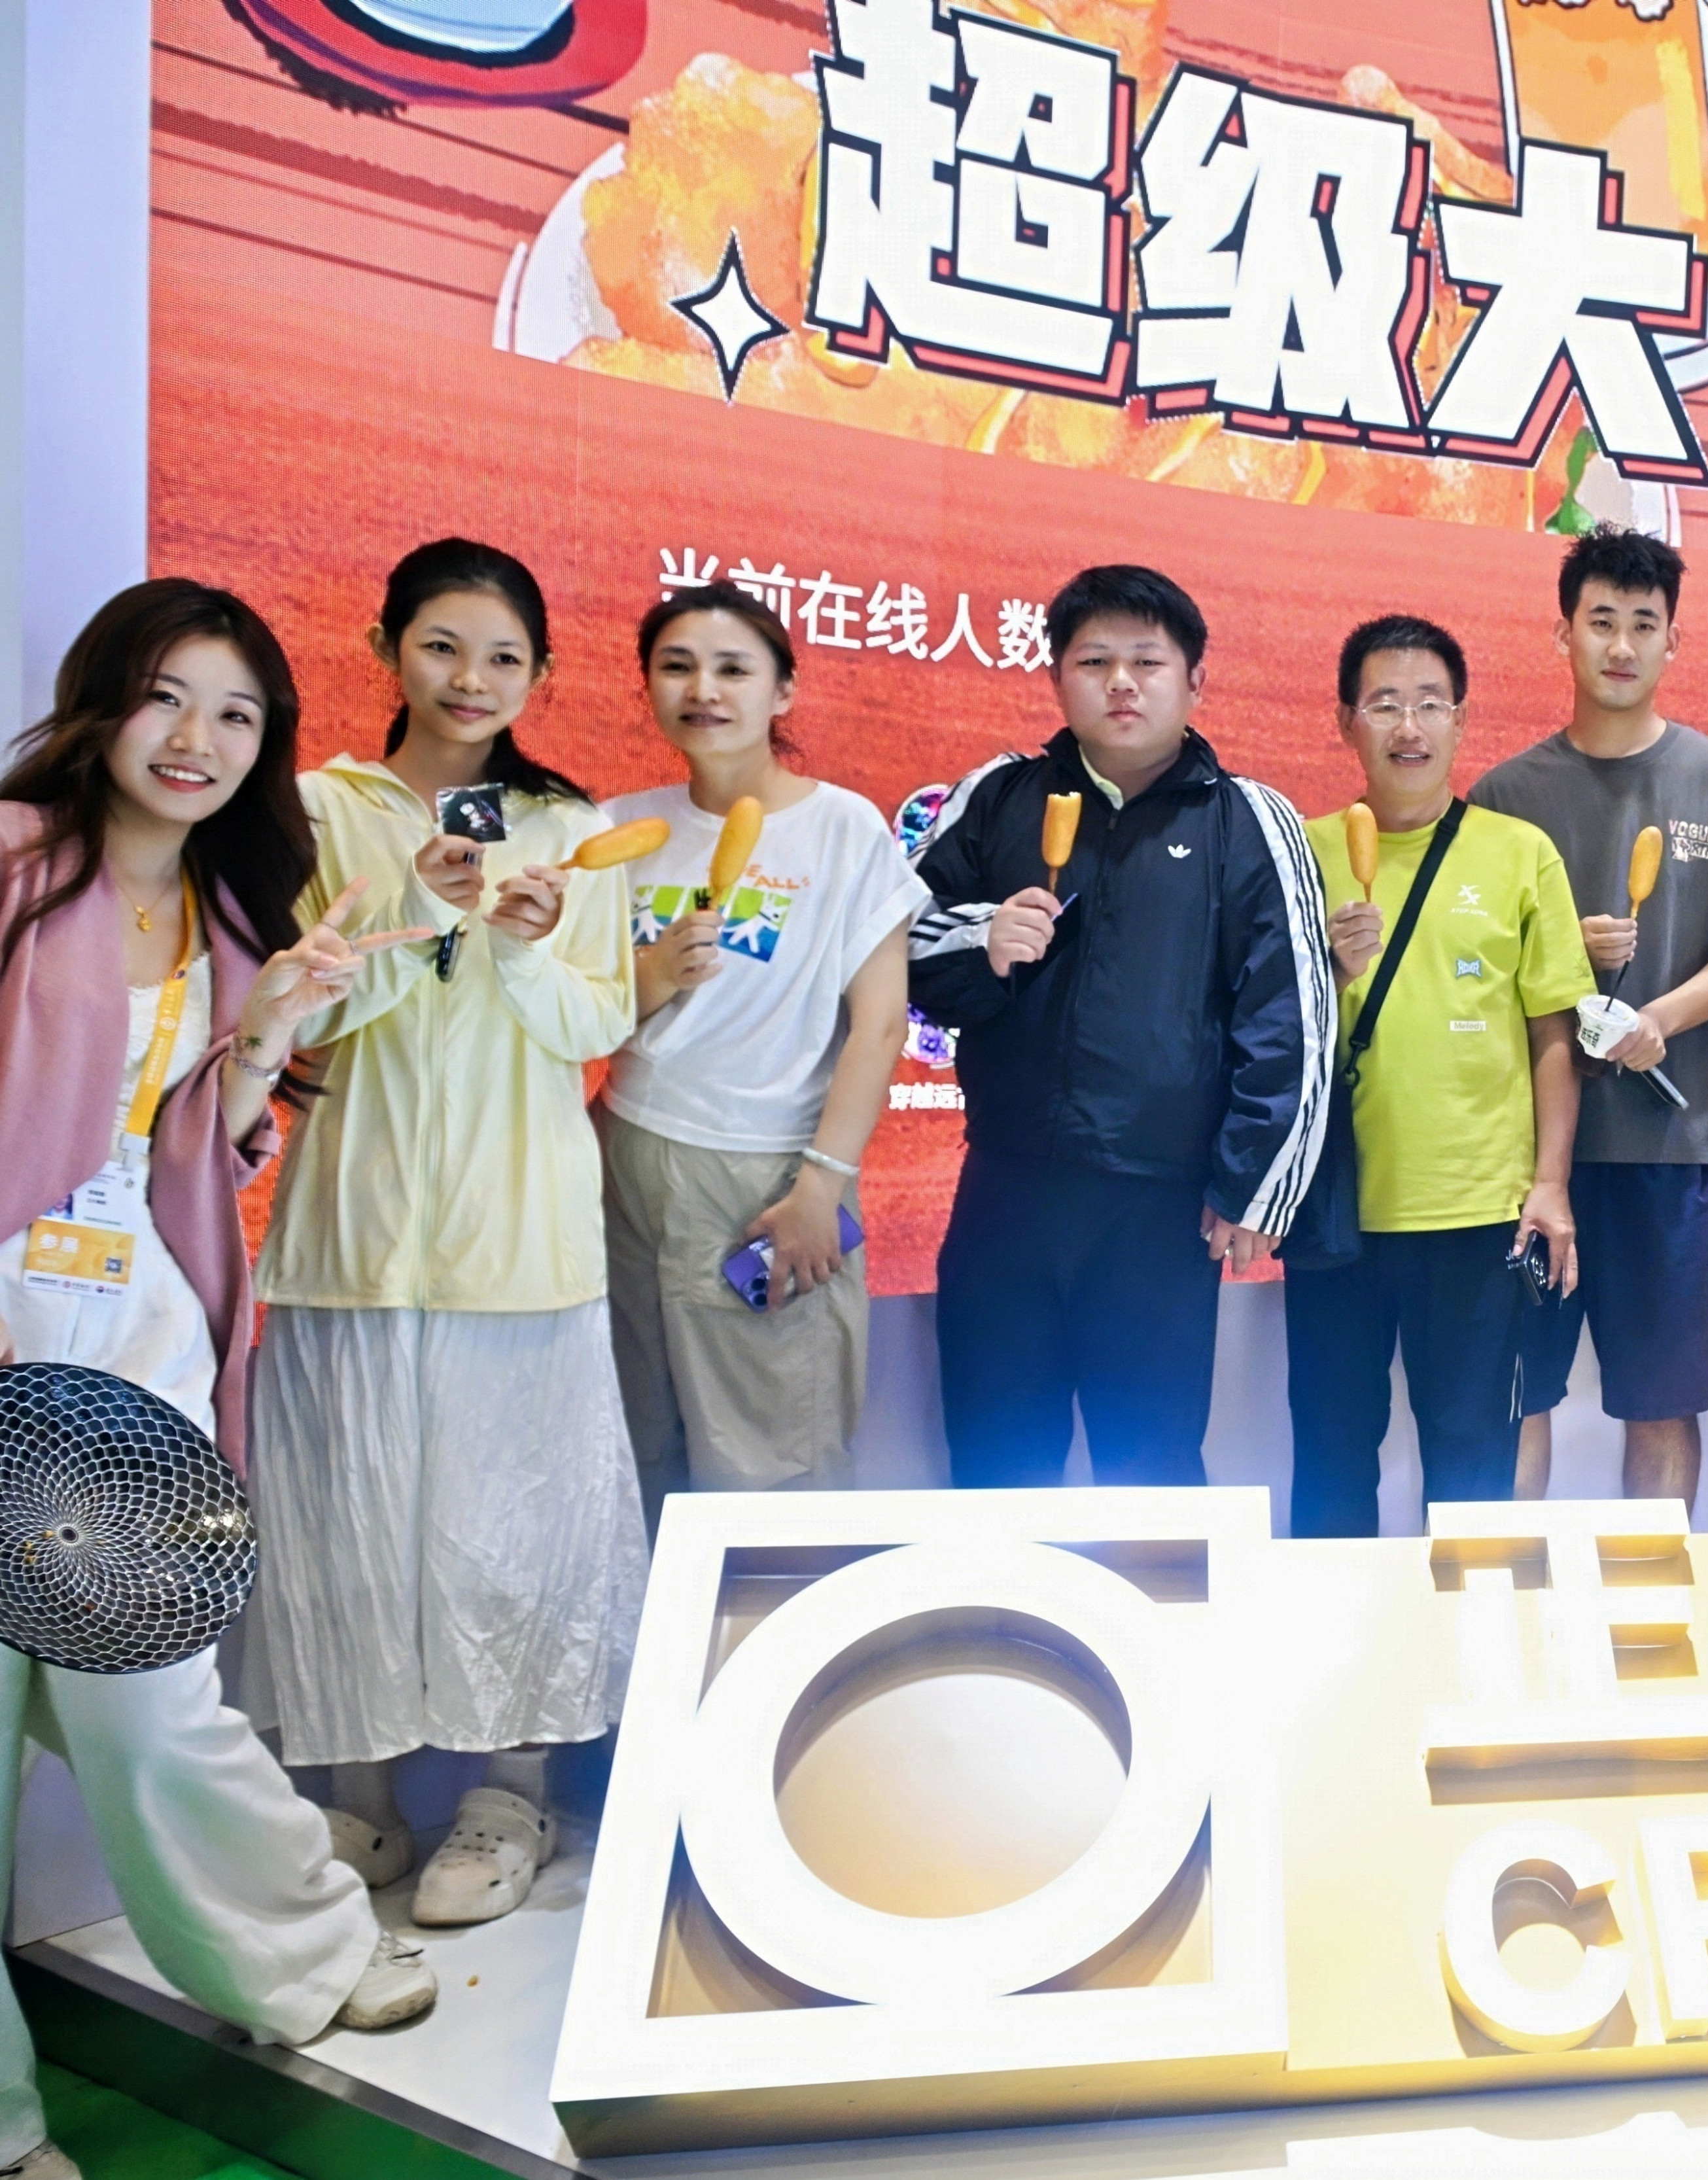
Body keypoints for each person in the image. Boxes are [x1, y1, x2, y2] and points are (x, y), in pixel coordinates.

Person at [0, 581, 447, 2180]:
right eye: (167, 697)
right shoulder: (13, 860)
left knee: (153, 1701)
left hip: (138, 1336)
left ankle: (300, 1956)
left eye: (238, 713)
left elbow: (210, 1143)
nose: (197, 739)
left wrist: (265, 1034)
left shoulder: (233, 910)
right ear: (103, 701)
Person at [244, 538, 651, 1930]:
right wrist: (425, 909)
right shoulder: (313, 809)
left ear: (540, 674)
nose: (471, 678)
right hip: (349, 1232)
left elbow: (598, 1022)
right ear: (386, 648)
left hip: (521, 1239)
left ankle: (508, 1795)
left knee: (513, 1534)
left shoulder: (570, 826)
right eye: (441, 646)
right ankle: (354, 1796)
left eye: (503, 657)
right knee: (347, 1529)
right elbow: (298, 1018)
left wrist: (522, 945)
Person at [906, 565, 1332, 1489]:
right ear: (1057, 676)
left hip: (1160, 1208)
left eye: (1148, 660)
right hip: (1006, 1187)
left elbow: (1292, 1012)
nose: (1122, 683)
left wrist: (1255, 1183)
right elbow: (892, 944)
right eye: (1094, 660)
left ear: (1195, 680)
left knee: (1152, 1471)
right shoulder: (1000, 796)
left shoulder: (1249, 819)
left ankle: (1157, 1593)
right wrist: (983, 940)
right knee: (993, 1461)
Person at [1472, 527, 1708, 1511]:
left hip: (1663, 1148)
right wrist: (1559, 954)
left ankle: (1649, 1593)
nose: (1620, 645)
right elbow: (1471, 964)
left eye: (1643, 625)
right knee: (1512, 1395)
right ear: (1561, 634)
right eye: (1600, 620)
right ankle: (1505, 1586)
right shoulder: (1504, 795)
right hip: (1521, 1154)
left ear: (1672, 642)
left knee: (1662, 1402)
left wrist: (1661, 1017)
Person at [599, 583, 924, 1508]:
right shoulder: (618, 826)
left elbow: (880, 1024)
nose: (703, 689)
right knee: (639, 1436)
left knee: (773, 1453)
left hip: (767, 1176)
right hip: (625, 1156)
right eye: (677, 667)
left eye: (733, 669)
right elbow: (583, 1014)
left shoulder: (843, 828)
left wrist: (822, 1183)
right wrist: (651, 973)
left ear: (782, 691)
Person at [1287, 616, 1594, 1534]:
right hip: (1333, 1210)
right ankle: (1341, 1627)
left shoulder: (1518, 852)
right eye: (1384, 704)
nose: (1408, 727)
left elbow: (1553, 1031)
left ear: (1461, 722)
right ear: (1345, 721)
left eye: (1430, 704)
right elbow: (1256, 1026)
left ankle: (1467, 1625)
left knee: (1470, 1470)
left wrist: (1550, 1184)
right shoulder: (1296, 851)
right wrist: (1326, 968)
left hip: (1477, 1212)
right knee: (1331, 1456)